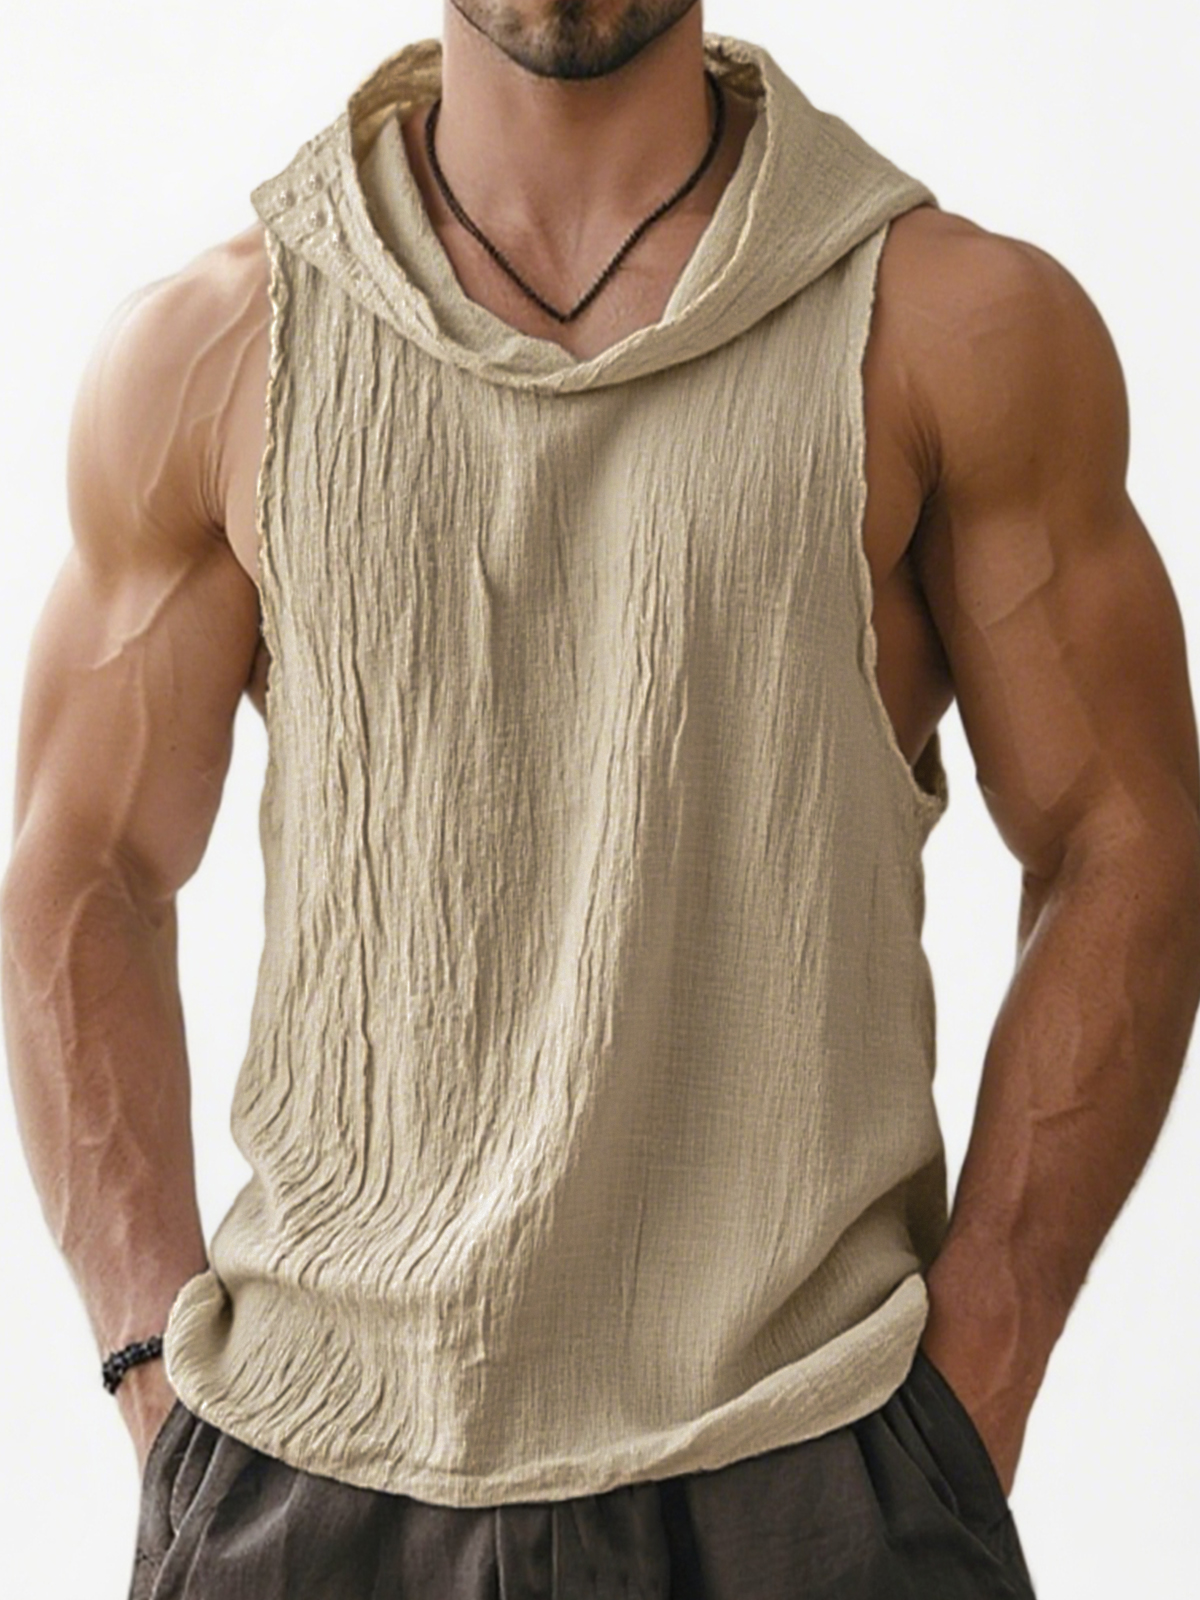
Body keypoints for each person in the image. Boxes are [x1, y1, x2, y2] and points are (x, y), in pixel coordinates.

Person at [4, 3, 1199, 1596]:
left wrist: (981, 1369)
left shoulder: (947, 324)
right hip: (314, 1471)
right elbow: (80, 860)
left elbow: (1126, 832)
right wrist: (153, 1374)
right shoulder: (221, 348)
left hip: (812, 1468)